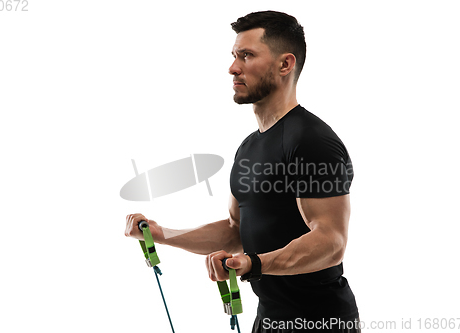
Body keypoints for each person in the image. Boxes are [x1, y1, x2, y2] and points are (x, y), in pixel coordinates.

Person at [125, 11, 360, 333]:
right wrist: (165, 235)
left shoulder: (311, 140)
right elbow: (237, 231)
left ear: (284, 64)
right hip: (269, 319)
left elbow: (331, 241)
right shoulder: (250, 147)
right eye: (235, 56)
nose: (233, 68)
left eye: (247, 56)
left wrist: (255, 264)